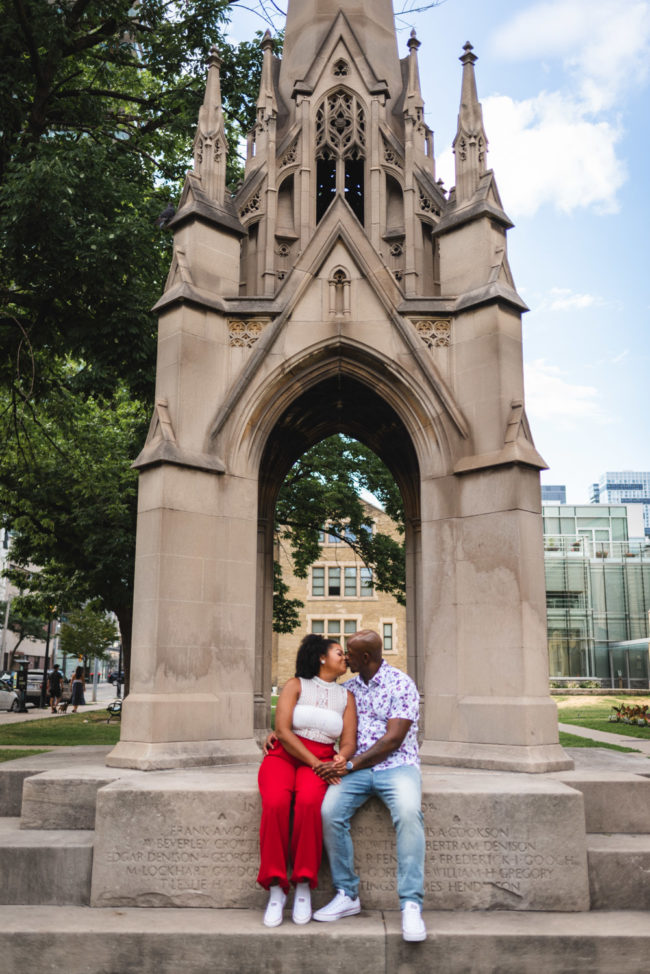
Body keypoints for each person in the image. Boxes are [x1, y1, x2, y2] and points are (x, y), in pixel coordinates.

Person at [312, 629, 427, 943]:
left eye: (349, 652)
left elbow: (393, 740)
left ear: (365, 658)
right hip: (357, 772)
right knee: (329, 812)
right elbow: (312, 720)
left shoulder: (401, 683)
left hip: (396, 766)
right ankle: (347, 894)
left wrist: (349, 765)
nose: (345, 657)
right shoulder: (347, 689)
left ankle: (411, 904)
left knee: (408, 814)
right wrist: (280, 734)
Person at [258, 634, 357, 928]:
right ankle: (276, 888)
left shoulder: (346, 696)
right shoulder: (295, 684)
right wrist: (316, 764)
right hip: (285, 755)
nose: (345, 657)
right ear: (321, 657)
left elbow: (348, 740)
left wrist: (341, 758)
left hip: (324, 759)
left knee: (309, 805)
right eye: (340, 652)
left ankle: (303, 884)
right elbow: (283, 730)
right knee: (275, 803)